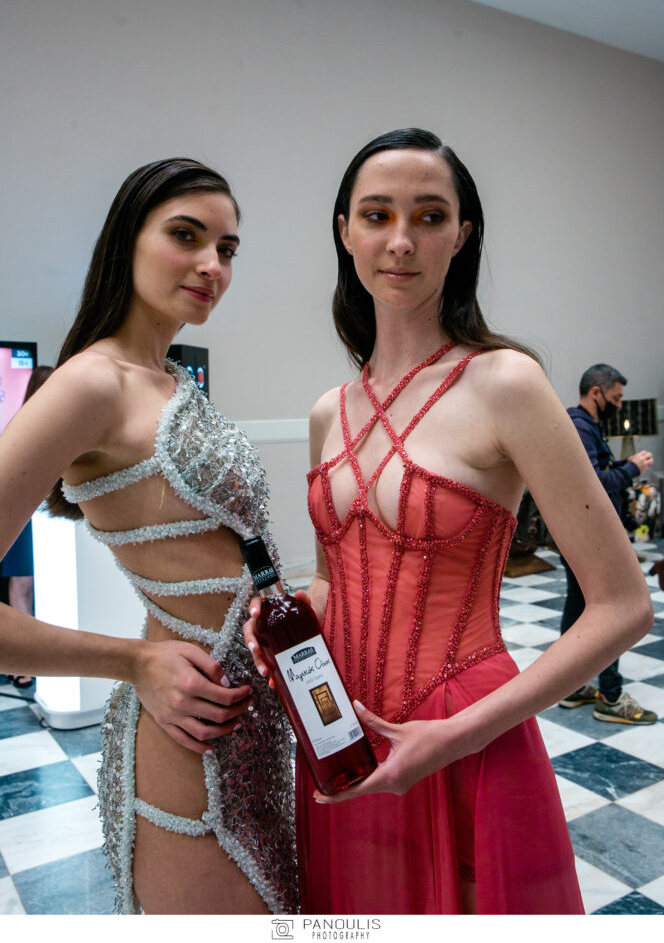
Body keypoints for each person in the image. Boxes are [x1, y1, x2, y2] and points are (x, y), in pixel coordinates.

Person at [244, 128, 653, 915]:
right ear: (345, 231)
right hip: (342, 737)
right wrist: (287, 622)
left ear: (462, 235)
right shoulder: (330, 410)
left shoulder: (505, 383)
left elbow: (623, 605)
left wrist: (456, 735)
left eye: (430, 216)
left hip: (465, 733)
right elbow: (333, 580)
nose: (401, 240)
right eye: (377, 215)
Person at [0, 159, 297, 914]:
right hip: (189, 737)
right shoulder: (90, 383)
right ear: (126, 240)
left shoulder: (169, 379)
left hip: (260, 724)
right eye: (186, 236)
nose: (211, 264)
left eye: (227, 248)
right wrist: (133, 662)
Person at [558, 364, 656, 724]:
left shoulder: (586, 426)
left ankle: (572, 686)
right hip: (590, 537)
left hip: (582, 534)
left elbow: (595, 470)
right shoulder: (580, 426)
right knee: (614, 611)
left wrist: (624, 465)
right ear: (596, 392)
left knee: (578, 608)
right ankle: (611, 697)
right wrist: (632, 470)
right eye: (615, 398)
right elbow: (593, 483)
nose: (619, 406)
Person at [0, 365, 53, 688]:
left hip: (37, 519)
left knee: (25, 587)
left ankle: (27, 661)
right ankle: (23, 662)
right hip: (24, 519)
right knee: (22, 586)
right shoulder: (23, 429)